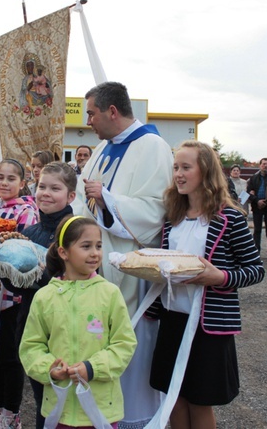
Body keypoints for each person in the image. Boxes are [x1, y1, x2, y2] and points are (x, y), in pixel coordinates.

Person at [74, 81, 172, 428]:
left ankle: (133, 420)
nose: (88, 121)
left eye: (92, 113)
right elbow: (80, 199)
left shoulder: (153, 147)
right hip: (96, 264)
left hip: (131, 271)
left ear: (112, 111)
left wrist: (109, 200)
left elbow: (154, 213)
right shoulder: (102, 150)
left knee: (130, 348)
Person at [149, 140, 263, 429]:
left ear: (206, 172)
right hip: (173, 319)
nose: (178, 174)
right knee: (174, 397)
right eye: (175, 167)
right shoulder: (171, 218)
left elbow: (255, 270)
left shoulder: (230, 218)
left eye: (186, 167)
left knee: (200, 401)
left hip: (207, 325)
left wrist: (220, 277)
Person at [20, 216, 137, 428]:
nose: (95, 253)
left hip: (101, 410)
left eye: (99, 246)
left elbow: (124, 344)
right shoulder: (45, 297)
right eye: (86, 246)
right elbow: (30, 346)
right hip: (59, 409)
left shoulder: (110, 293)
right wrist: (49, 369)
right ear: (63, 252)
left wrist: (93, 368)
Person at [0, 158, 39, 428]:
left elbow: (25, 253)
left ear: (22, 182)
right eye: (0, 177)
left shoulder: (27, 212)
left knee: (9, 355)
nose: (4, 183)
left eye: (11, 178)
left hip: (12, 294)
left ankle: (10, 411)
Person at [20, 162, 77, 429]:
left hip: (63, 324)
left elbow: (78, 279)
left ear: (71, 196)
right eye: (42, 186)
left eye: (55, 188)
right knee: (42, 396)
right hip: (32, 322)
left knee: (64, 400)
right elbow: (18, 287)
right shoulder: (28, 232)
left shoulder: (77, 231)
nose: (46, 193)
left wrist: (34, 276)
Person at [246, 158, 267, 255]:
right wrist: (257, 200)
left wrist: (265, 201)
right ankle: (256, 251)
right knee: (257, 230)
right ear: (260, 165)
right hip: (257, 206)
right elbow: (249, 192)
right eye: (264, 164)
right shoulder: (254, 178)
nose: (265, 166)